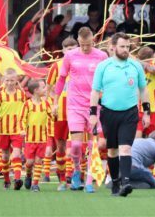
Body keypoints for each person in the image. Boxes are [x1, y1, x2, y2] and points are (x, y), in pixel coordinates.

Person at [89, 33, 151, 197]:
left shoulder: (135, 66)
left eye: (127, 47)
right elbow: (95, 91)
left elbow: (144, 89)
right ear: (113, 46)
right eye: (122, 46)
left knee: (126, 148)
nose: (125, 50)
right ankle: (115, 181)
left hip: (130, 113)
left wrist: (146, 111)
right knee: (112, 151)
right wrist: (93, 113)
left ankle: (126, 182)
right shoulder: (104, 66)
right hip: (109, 113)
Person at [52, 27, 107, 191]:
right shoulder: (70, 55)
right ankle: (77, 170)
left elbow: (107, 79)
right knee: (75, 146)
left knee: (92, 145)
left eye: (88, 44)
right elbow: (61, 79)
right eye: (82, 44)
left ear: (93, 41)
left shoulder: (102, 56)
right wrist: (55, 101)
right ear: (78, 41)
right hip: (74, 105)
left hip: (94, 105)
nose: (85, 48)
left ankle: (89, 181)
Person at [46, 37, 78, 190]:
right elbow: (49, 88)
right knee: (61, 146)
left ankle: (73, 176)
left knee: (75, 146)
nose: (71, 51)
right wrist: (54, 103)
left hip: (76, 110)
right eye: (68, 49)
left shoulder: (80, 65)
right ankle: (62, 178)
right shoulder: (56, 66)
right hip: (60, 112)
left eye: (74, 48)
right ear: (64, 50)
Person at [0, 68, 27, 190]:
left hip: (17, 130)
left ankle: (17, 179)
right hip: (3, 130)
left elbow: (27, 110)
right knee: (4, 156)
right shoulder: (0, 95)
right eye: (8, 80)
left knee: (16, 153)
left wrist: (26, 126)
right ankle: (6, 180)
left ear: (16, 80)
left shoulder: (21, 95)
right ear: (4, 80)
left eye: (12, 80)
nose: (10, 83)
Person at [21, 79, 53, 192]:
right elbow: (22, 119)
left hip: (42, 138)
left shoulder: (46, 103)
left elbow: (52, 116)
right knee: (29, 162)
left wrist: (55, 113)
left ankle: (35, 184)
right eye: (42, 87)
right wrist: (22, 129)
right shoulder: (27, 104)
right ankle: (28, 174)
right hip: (30, 138)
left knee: (38, 161)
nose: (45, 89)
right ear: (35, 90)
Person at [137, 46, 155, 135]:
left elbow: (153, 70)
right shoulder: (134, 67)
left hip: (153, 109)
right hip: (137, 109)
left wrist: (137, 61)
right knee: (136, 140)